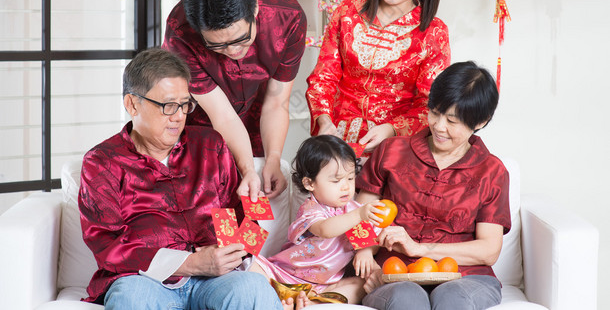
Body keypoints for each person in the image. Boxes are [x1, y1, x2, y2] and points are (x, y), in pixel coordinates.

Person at [78, 48, 282, 310]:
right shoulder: (102, 162)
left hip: (215, 281)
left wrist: (243, 240)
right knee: (130, 298)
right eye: (168, 105)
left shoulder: (210, 145)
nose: (178, 116)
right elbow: (107, 245)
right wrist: (190, 263)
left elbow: (244, 222)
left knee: (253, 289)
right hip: (145, 282)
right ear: (132, 104)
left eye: (185, 105)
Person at [355, 61, 510, 310]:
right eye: (435, 112)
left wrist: (419, 248)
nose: (439, 126)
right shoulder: (391, 151)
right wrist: (367, 260)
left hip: (466, 277)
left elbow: (488, 250)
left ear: (480, 121)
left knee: (453, 300)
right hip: (396, 274)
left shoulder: (492, 171)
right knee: (407, 298)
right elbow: (360, 218)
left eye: (452, 120)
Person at [163, 0, 307, 201]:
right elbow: (223, 115)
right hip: (204, 122)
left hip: (258, 115)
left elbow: (276, 102)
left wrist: (273, 159)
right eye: (217, 45)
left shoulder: (288, 18)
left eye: (241, 39)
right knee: (205, 199)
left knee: (258, 197)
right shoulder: (180, 31)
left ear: (256, 9)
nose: (233, 50)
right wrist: (247, 169)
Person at [306, 0, 450, 155]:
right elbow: (323, 79)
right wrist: (323, 121)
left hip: (396, 149)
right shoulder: (346, 13)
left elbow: (430, 105)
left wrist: (392, 130)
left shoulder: (434, 32)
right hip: (335, 142)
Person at [247, 135, 385, 309]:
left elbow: (373, 235)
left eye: (350, 178)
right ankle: (279, 300)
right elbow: (325, 229)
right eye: (336, 180)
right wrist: (359, 215)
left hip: (322, 286)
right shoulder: (311, 209)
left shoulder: (354, 209)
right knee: (253, 269)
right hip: (284, 275)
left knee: (360, 285)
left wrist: (365, 252)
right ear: (310, 183)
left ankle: (309, 303)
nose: (346, 186)